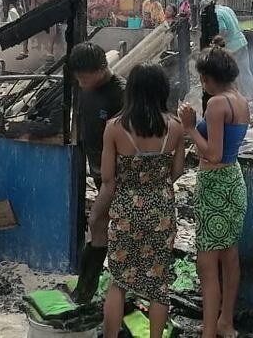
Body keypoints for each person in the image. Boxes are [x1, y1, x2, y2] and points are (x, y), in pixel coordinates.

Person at [96, 62, 186, 338]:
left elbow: (108, 179)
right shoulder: (176, 128)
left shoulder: (114, 128)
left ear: (131, 91)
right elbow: (177, 172)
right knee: (158, 284)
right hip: (161, 211)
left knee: (119, 281)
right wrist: (155, 188)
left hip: (125, 211)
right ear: (162, 90)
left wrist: (97, 215)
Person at [179, 41, 249, 338]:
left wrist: (190, 127)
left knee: (207, 262)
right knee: (229, 255)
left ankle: (208, 332)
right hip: (233, 181)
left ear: (207, 79)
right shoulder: (240, 100)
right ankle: (225, 321)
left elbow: (213, 153)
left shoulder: (217, 103)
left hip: (216, 185)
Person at [69, 42, 125, 303]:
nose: (81, 82)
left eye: (85, 77)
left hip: (118, 175)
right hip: (97, 170)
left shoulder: (121, 95)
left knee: (102, 223)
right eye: (77, 77)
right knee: (100, 225)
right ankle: (88, 289)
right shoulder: (85, 90)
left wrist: (110, 177)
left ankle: (114, 290)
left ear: (102, 68)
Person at [212, 1, 253, 102]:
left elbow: (223, 31)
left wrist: (216, 42)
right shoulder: (227, 9)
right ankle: (250, 96)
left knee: (231, 73)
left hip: (232, 47)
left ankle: (234, 98)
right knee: (245, 71)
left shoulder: (217, 14)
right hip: (242, 42)